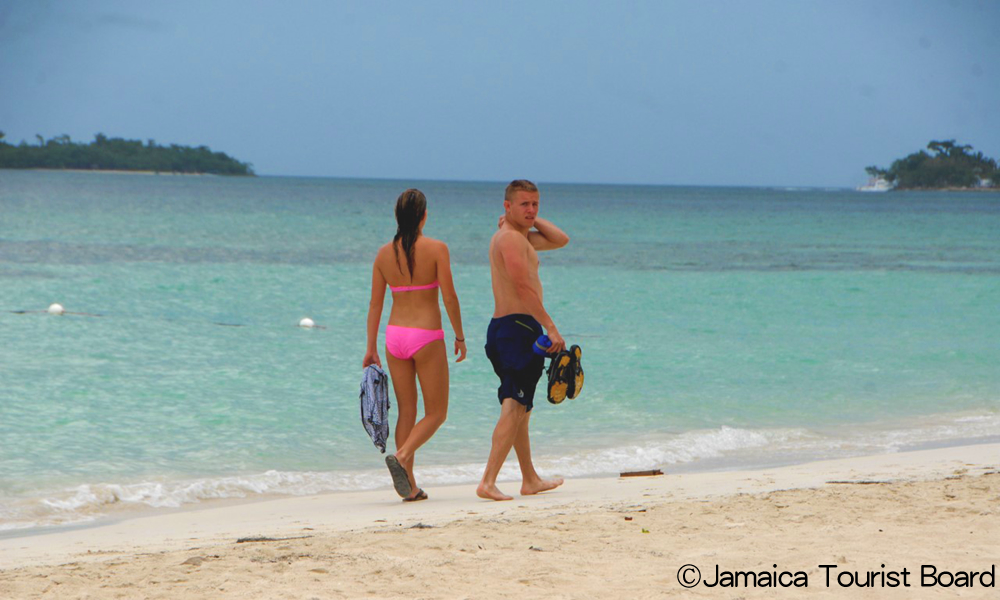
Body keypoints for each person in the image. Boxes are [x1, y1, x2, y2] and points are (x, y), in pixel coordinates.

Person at [363, 188, 466, 502]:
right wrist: (460, 336)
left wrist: (371, 347)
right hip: (425, 336)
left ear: (397, 216)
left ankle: (410, 487)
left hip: (394, 337)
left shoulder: (383, 254)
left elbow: (375, 305)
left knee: (408, 410)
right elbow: (449, 296)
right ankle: (403, 455)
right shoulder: (437, 248)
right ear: (424, 216)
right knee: (437, 413)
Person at [477, 179, 570, 501]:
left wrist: (529, 219)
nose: (531, 210)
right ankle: (488, 482)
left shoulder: (520, 237)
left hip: (513, 328)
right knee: (514, 406)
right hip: (516, 328)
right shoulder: (511, 241)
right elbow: (522, 288)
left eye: (536, 205)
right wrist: (551, 328)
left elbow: (561, 239)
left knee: (522, 409)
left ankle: (529, 479)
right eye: (524, 205)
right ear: (506, 206)